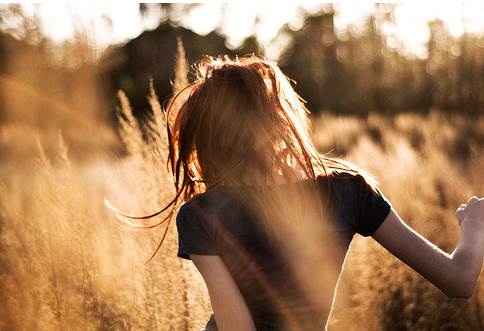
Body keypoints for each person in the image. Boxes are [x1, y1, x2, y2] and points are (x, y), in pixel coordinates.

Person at [108, 55, 483, 331]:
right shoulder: (349, 190)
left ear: (210, 137)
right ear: (278, 118)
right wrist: (474, 231)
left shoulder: (202, 214)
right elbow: (459, 281)